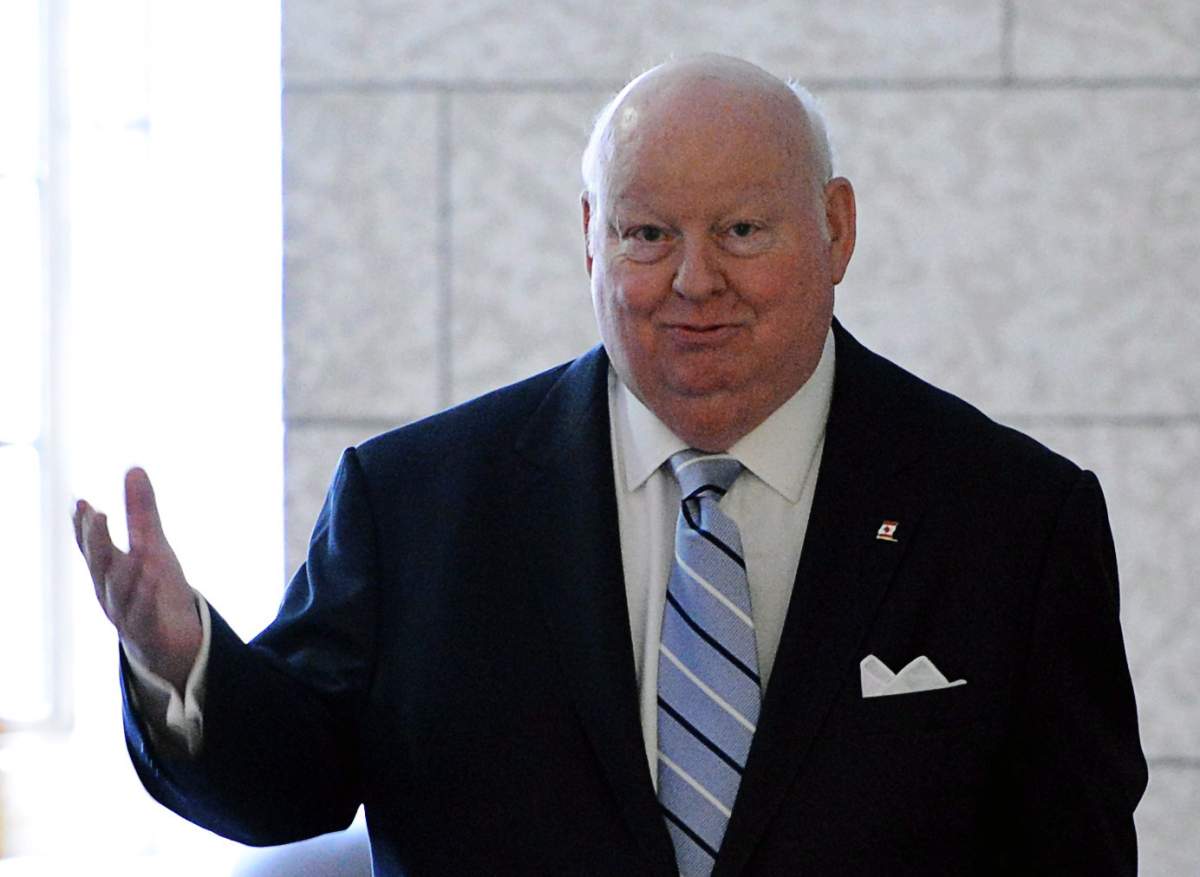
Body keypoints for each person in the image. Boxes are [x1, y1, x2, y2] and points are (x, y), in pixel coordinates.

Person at [74, 54, 1147, 875]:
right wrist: (184, 663)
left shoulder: (1011, 517)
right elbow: (289, 783)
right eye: (645, 234)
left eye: (740, 229)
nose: (694, 280)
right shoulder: (416, 504)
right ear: (590, 238)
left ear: (836, 229)